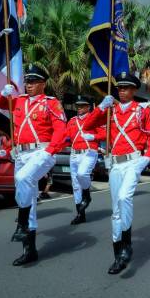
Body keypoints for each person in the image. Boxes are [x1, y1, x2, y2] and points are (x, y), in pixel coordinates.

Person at [82, 72, 150, 275]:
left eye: (126, 88)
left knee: (125, 198)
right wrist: (100, 107)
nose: (121, 91)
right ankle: (119, 253)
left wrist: (147, 157)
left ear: (133, 90)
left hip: (133, 162)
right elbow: (87, 125)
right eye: (119, 88)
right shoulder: (110, 111)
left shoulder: (142, 111)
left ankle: (126, 244)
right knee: (116, 211)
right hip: (115, 164)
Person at [0, 65, 67, 267]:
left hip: (41, 151)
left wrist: (51, 150)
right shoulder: (18, 101)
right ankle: (30, 250)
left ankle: (21, 223)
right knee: (26, 198)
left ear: (43, 84)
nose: (28, 85)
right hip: (21, 154)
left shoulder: (51, 103)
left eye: (33, 82)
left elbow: (60, 129)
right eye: (27, 82)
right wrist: (4, 93)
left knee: (23, 178)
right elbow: (1, 103)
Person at [64, 95, 106, 225]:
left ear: (88, 107)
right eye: (78, 106)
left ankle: (87, 194)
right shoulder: (71, 121)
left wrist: (93, 136)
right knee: (76, 185)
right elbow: (66, 137)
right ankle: (80, 214)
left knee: (83, 174)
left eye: (82, 105)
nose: (79, 108)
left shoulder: (94, 119)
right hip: (74, 154)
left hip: (89, 152)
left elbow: (105, 134)